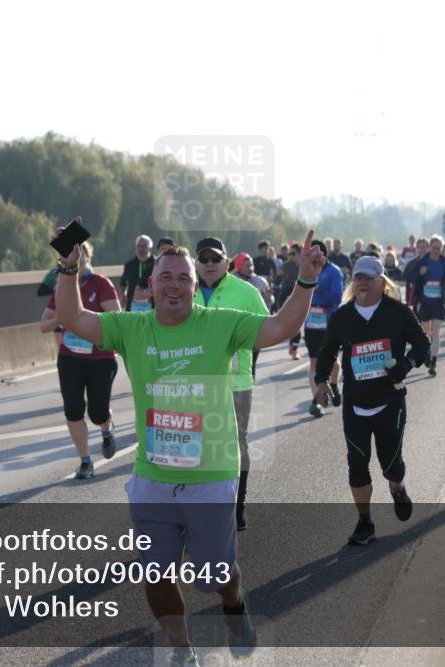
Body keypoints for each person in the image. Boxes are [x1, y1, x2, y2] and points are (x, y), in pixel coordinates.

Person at [52, 221, 324, 666]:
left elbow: (280, 327)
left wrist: (307, 278)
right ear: (151, 286)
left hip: (211, 475)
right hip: (153, 475)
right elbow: (72, 318)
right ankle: (182, 649)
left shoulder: (220, 324)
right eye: (166, 277)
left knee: (217, 573)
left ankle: (234, 605)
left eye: (184, 278)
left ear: (195, 288)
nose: (175, 285)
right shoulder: (131, 328)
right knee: (155, 575)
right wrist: (68, 267)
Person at [314, 256, 431, 545]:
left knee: (390, 464)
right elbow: (327, 352)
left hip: (389, 402)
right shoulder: (342, 317)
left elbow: (422, 344)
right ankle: (364, 522)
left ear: (382, 281)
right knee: (357, 464)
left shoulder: (398, 312)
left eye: (369, 277)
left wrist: (406, 364)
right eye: (358, 277)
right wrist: (321, 381)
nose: (362, 282)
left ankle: (397, 488)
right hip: (355, 405)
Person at [193, 237, 270, 531]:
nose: (210, 265)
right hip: (195, 383)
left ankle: (237, 506)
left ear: (227, 262)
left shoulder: (246, 292)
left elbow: (266, 329)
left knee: (235, 444)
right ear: (196, 263)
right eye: (204, 259)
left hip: (236, 383)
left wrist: (246, 359)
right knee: (195, 446)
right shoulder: (185, 290)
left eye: (216, 259)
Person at [40, 241, 120, 479]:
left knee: (97, 412)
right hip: (70, 357)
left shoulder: (100, 284)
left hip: (100, 357)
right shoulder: (62, 286)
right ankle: (86, 461)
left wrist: (85, 319)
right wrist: (62, 318)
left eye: (82, 251)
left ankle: (106, 429)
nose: (78, 255)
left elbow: (116, 319)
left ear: (88, 255)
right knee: (73, 410)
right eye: (73, 252)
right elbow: (44, 325)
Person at [304, 240, 344, 417]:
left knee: (333, 364)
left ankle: (334, 384)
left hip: (329, 323)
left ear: (323, 255)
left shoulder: (334, 272)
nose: (313, 256)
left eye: (316, 253)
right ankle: (317, 401)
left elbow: (336, 298)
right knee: (314, 362)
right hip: (311, 323)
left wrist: (318, 290)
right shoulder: (305, 270)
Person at [404, 235, 445, 376]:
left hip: (438, 303)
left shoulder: (443, 262)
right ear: (430, 248)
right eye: (434, 247)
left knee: (436, 332)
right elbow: (409, 277)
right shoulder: (422, 262)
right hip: (424, 302)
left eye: (438, 248)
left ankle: (434, 363)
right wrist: (419, 273)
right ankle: (428, 355)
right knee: (426, 333)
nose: (436, 250)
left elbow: (444, 280)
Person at [276, 243, 303, 359]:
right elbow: (278, 274)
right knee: (287, 324)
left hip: (298, 296)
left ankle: (294, 349)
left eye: (293, 253)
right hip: (285, 296)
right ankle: (291, 342)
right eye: (289, 253)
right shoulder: (286, 265)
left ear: (300, 254)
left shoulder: (304, 265)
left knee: (297, 325)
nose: (290, 255)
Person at [121, 235, 156, 312]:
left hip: (153, 306)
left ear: (150, 248)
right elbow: (123, 283)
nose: (141, 249)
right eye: (139, 246)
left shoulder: (157, 264)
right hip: (133, 306)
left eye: (144, 246)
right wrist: (123, 297)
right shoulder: (129, 265)